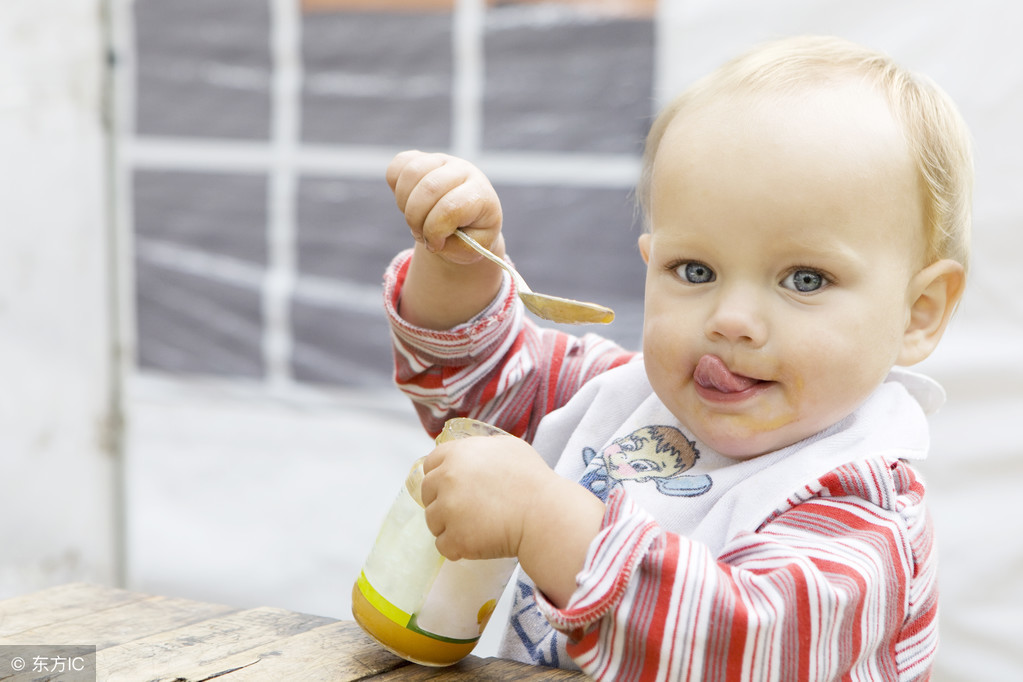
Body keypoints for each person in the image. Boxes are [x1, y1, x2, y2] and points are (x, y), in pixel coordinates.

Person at [380, 35, 971, 680]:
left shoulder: (863, 511)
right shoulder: (625, 399)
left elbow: (738, 647)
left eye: (804, 279)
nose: (732, 320)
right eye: (695, 270)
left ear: (919, 313)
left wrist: (541, 519)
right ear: (649, 263)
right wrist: (459, 267)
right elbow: (480, 387)